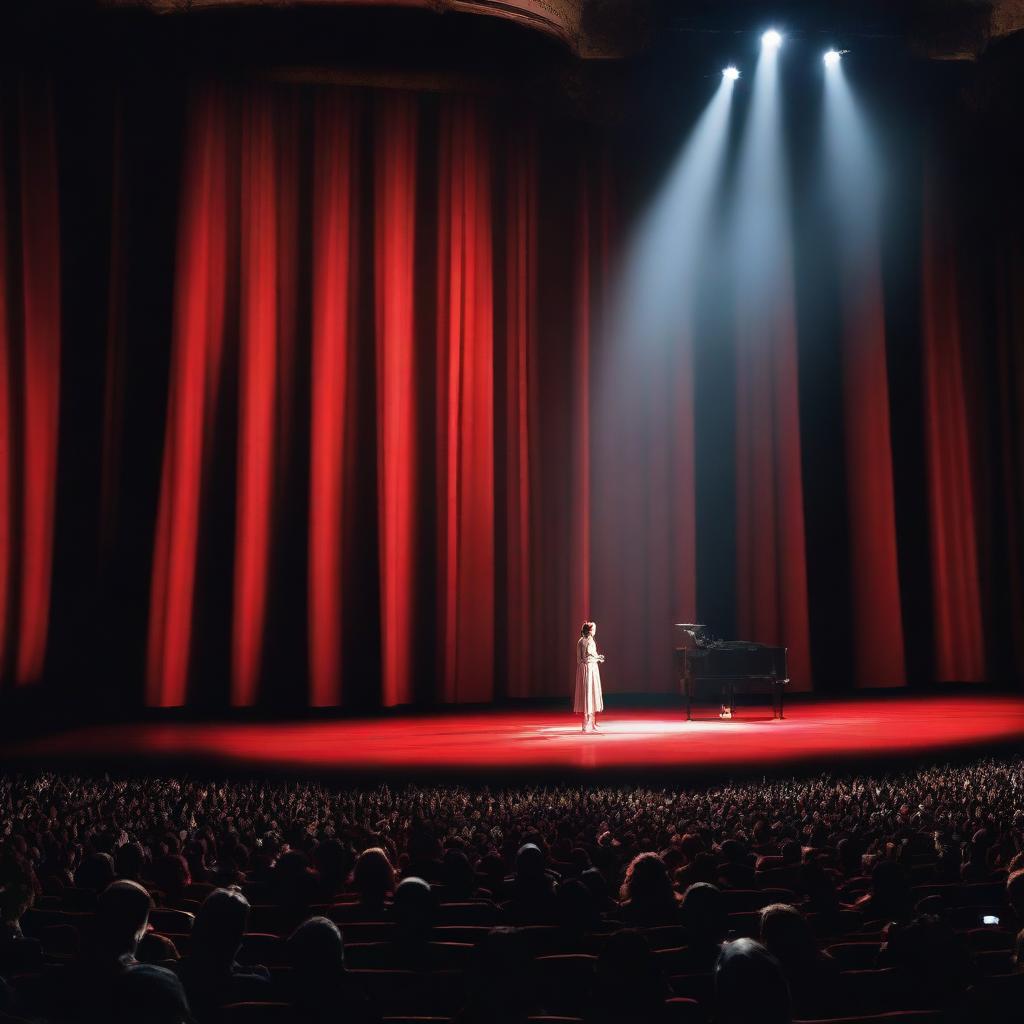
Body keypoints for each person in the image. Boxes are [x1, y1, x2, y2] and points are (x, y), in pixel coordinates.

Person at [574, 621, 605, 733]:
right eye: (594, 629)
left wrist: (597, 657)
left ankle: (591, 722)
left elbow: (582, 657)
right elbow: (588, 656)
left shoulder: (580, 640)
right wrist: (598, 659)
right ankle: (588, 722)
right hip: (589, 669)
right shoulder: (588, 641)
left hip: (585, 668)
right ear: (591, 631)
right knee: (590, 694)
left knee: (589, 694)